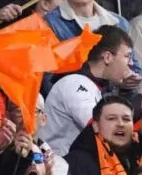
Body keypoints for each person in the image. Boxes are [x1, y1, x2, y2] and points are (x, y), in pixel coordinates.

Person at [40, 27, 134, 158]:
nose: (131, 63)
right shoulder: (75, 83)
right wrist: (141, 100)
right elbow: (104, 129)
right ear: (107, 57)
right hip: (58, 170)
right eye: (127, 56)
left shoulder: (90, 84)